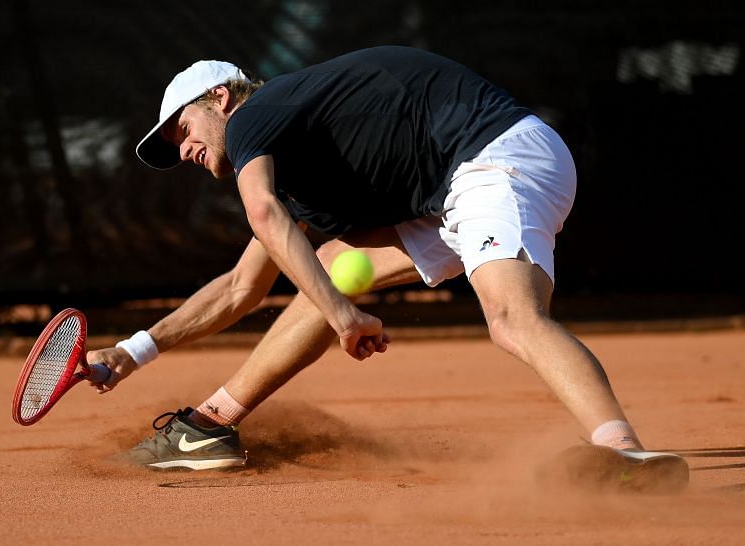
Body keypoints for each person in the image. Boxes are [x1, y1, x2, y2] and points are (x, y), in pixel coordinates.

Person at [88, 46, 688, 490]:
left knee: (511, 319)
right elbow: (243, 287)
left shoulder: (254, 118)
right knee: (326, 266)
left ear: (220, 99)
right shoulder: (295, 155)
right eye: (172, 148)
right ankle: (208, 425)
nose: (182, 150)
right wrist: (132, 351)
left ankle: (625, 452)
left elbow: (263, 213)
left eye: (182, 131)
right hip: (455, 186)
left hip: (493, 153)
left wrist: (345, 314)